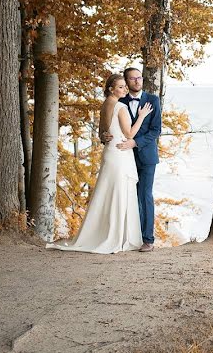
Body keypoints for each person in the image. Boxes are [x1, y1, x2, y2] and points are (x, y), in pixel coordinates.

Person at [47, 73, 152, 253]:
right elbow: (129, 134)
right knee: (118, 195)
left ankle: (105, 234)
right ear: (111, 89)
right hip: (120, 153)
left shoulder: (105, 105)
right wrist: (141, 116)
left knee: (107, 194)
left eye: (124, 86)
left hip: (110, 152)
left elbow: (103, 131)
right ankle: (116, 236)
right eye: (121, 87)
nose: (125, 89)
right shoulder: (120, 107)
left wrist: (103, 136)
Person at [101, 67, 162, 252]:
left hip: (146, 156)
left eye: (139, 78)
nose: (137, 81)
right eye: (132, 79)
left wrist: (135, 142)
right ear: (126, 82)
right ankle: (126, 237)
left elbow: (155, 130)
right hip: (123, 157)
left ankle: (147, 239)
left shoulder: (153, 100)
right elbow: (107, 125)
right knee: (127, 197)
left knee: (145, 195)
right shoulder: (119, 100)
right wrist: (103, 136)